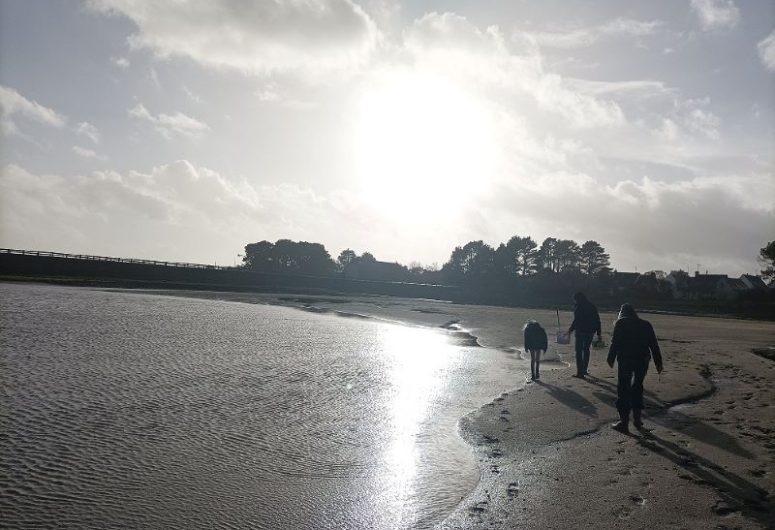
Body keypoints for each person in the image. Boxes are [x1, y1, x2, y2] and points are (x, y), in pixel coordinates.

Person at [606, 303, 663, 433]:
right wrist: (658, 363)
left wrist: (610, 359)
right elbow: (654, 345)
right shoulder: (646, 324)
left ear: (622, 313)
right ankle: (637, 421)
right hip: (642, 360)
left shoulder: (620, 323)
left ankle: (624, 423)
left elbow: (615, 343)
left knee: (623, 388)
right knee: (638, 386)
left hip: (626, 359)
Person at [567, 292, 601, 378]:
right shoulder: (592, 306)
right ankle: (584, 370)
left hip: (581, 331)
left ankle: (580, 373)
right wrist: (598, 332)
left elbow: (576, 320)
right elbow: (597, 320)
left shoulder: (579, 307)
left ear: (577, 299)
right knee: (586, 350)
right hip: (590, 331)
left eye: (575, 300)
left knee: (579, 351)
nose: (574, 301)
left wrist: (570, 330)